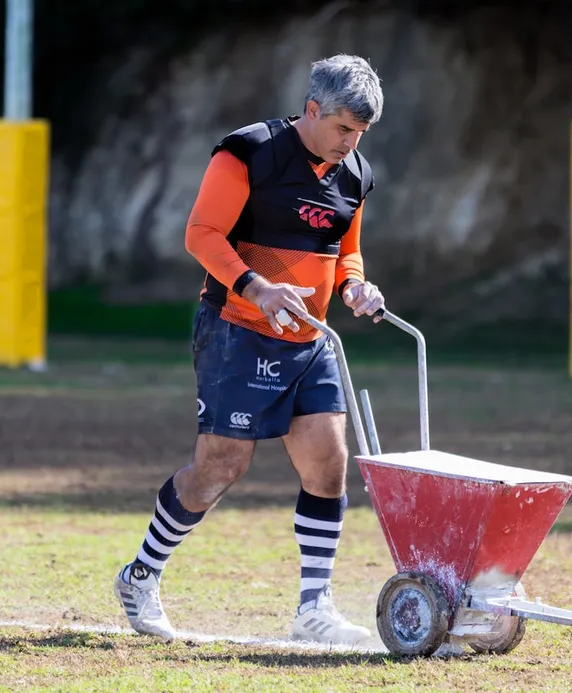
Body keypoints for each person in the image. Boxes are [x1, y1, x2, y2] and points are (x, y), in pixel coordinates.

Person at [113, 54, 387, 646]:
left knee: (329, 462)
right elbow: (201, 234)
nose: (350, 143)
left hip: (310, 338)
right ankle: (140, 576)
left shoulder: (356, 173)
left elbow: (345, 252)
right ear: (312, 110)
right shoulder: (249, 151)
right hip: (236, 329)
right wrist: (256, 287)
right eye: (343, 128)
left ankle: (313, 608)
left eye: (361, 134)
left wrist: (356, 285)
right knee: (220, 466)